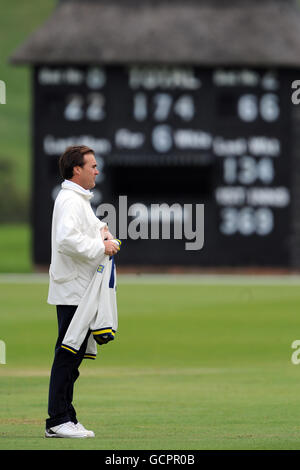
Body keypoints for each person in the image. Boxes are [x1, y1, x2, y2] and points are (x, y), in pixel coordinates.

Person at [45, 145, 119, 438]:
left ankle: (66, 416)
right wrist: (101, 246)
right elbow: (66, 240)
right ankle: (58, 420)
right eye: (93, 166)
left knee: (72, 356)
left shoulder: (77, 199)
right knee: (68, 353)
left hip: (79, 290)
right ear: (77, 169)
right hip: (73, 289)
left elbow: (81, 231)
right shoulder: (70, 200)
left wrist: (101, 230)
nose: (97, 171)